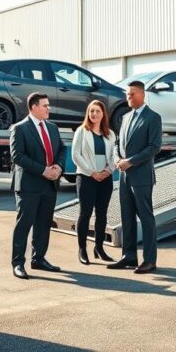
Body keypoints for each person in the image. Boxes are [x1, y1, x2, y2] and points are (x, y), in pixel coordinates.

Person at [107, 80, 163, 274]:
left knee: (146, 218)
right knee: (127, 217)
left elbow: (154, 147)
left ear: (142, 94)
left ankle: (149, 260)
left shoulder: (153, 117)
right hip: (124, 176)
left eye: (132, 94)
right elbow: (117, 144)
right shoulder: (125, 117)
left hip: (141, 177)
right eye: (127, 94)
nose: (128, 97)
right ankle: (129, 256)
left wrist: (130, 161)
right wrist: (116, 159)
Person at [10, 92, 66, 279]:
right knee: (24, 225)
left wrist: (58, 166)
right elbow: (18, 156)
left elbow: (62, 149)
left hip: (49, 185)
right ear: (33, 107)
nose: (48, 108)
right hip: (29, 185)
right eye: (45, 105)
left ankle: (39, 259)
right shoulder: (20, 128)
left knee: (43, 225)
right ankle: (18, 263)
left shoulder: (52, 128)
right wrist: (43, 170)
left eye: (48, 105)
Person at [71, 100, 118, 265]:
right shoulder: (81, 131)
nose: (94, 114)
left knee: (102, 214)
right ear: (88, 114)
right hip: (86, 178)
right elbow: (76, 155)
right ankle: (82, 249)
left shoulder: (110, 134)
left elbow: (114, 157)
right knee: (85, 214)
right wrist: (92, 173)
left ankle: (99, 248)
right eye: (92, 111)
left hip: (105, 179)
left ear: (103, 114)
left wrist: (107, 171)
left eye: (98, 111)